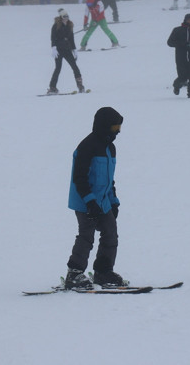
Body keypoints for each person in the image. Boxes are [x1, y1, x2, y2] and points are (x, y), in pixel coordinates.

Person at [63, 106, 126, 290]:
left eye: (119, 128)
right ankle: (74, 274)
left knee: (111, 234)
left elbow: (108, 179)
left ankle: (103, 272)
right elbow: (79, 178)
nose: (117, 132)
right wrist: (90, 201)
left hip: (103, 202)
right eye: (115, 128)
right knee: (86, 236)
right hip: (85, 202)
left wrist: (113, 202)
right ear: (104, 126)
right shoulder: (87, 146)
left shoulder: (110, 148)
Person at [47, 8, 86, 95]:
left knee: (74, 66)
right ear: (61, 17)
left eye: (67, 16)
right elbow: (53, 37)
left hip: (67, 50)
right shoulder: (56, 25)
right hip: (58, 50)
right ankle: (52, 87)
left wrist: (74, 49)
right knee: (58, 68)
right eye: (64, 17)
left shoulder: (70, 25)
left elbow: (71, 38)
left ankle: (80, 86)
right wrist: (53, 48)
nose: (66, 18)